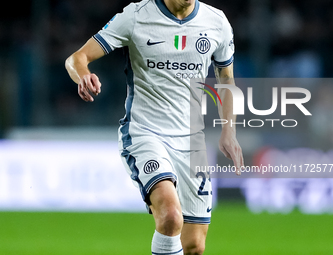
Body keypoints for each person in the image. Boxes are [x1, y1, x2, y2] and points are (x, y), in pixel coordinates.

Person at [65, 0, 244, 254]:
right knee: (170, 216)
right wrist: (83, 74)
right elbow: (76, 58)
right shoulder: (136, 16)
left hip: (192, 142)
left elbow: (226, 80)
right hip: (145, 133)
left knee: (194, 245)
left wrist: (229, 131)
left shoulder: (217, 22)